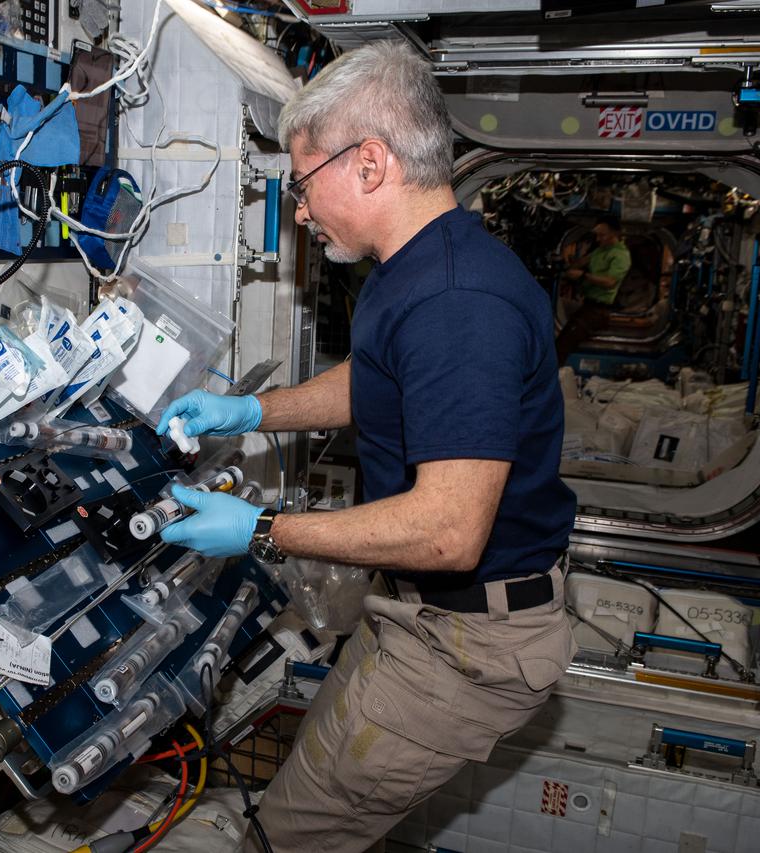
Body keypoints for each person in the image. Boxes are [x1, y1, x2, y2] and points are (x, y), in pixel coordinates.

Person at [154, 41, 578, 853]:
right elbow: (378, 380)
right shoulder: (415, 266)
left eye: (302, 183)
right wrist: (251, 411)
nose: (299, 211)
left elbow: (448, 532)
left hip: (467, 644)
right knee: (315, 791)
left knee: (289, 838)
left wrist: (261, 530)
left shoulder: (458, 300)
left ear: (371, 163)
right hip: (419, 613)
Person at [554, 216, 632, 364]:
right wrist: (568, 265)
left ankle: (551, 371)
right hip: (587, 305)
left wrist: (583, 275)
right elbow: (580, 263)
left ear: (615, 234)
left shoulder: (621, 255)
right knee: (555, 305)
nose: (598, 239)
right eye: (596, 235)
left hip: (598, 311)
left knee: (563, 343)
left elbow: (610, 282)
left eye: (602, 235)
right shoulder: (600, 250)